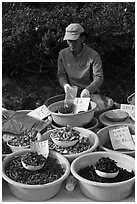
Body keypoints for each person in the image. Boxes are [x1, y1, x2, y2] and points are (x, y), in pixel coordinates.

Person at [57, 23, 104, 98]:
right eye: (69, 41)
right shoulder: (62, 54)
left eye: (74, 41)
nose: (71, 44)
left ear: (82, 39)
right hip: (71, 93)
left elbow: (99, 77)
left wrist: (88, 90)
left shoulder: (93, 55)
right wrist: (65, 85)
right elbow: (61, 74)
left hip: (90, 92)